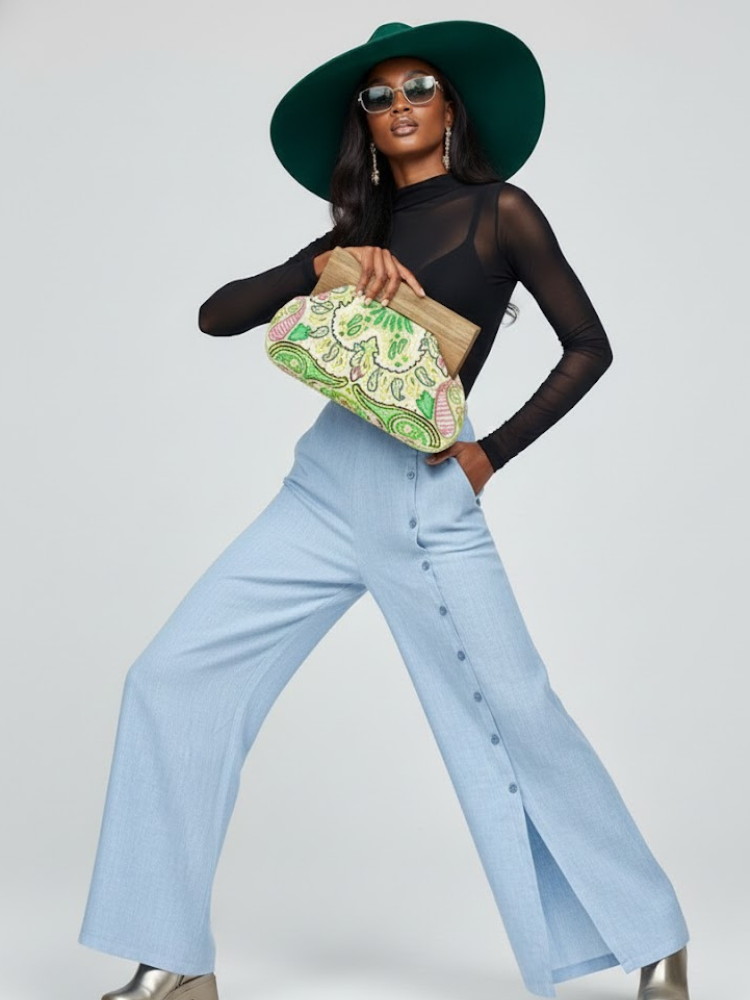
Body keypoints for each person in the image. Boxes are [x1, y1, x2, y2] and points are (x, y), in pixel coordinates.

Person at [78, 20, 692, 1000]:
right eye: (379, 95)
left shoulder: (501, 210)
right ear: (363, 123)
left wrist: (490, 453)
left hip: (425, 492)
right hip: (320, 489)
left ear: (451, 108)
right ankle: (173, 961)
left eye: (419, 87)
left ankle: (654, 938)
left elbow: (589, 346)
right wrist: (327, 267)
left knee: (514, 709)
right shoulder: (352, 235)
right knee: (172, 678)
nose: (400, 104)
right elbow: (216, 314)